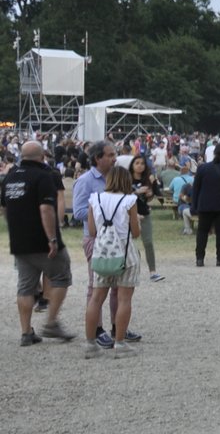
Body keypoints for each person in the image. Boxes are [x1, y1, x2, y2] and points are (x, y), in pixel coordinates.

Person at [3, 141, 74, 345]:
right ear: (42, 155)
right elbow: (46, 209)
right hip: (42, 239)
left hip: (19, 240)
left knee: (25, 286)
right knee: (61, 276)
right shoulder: (43, 176)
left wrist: (15, 229)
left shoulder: (9, 178)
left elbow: (5, 209)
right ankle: (51, 323)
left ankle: (26, 333)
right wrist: (52, 238)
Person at [84, 165, 142, 352]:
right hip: (125, 254)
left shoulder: (95, 199)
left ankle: (90, 343)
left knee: (96, 298)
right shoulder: (130, 200)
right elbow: (135, 232)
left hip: (102, 253)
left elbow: (92, 231)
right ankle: (120, 342)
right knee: (124, 299)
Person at [128, 153, 164, 282]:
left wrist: (150, 192)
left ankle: (153, 271)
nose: (140, 166)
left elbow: (152, 197)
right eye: (137, 163)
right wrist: (136, 192)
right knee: (128, 243)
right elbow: (122, 195)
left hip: (144, 214)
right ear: (132, 165)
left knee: (148, 243)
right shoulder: (126, 179)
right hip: (129, 215)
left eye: (142, 163)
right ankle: (129, 268)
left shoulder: (148, 179)